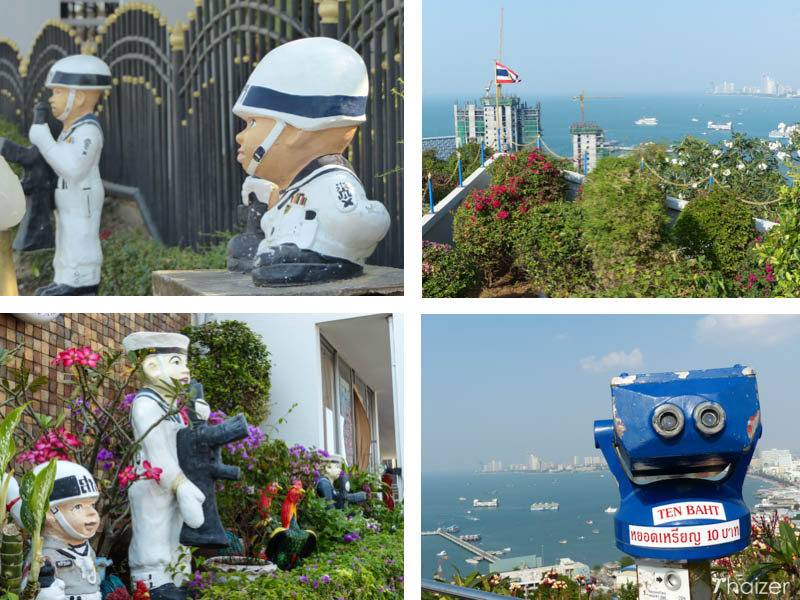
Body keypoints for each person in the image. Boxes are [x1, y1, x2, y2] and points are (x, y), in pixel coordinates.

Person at [231, 37, 390, 286]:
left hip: (319, 251)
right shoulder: (293, 184)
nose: (240, 136)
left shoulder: (331, 180)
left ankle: (308, 257)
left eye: (252, 123)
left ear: (297, 130)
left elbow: (355, 220)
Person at [122, 332, 209, 600]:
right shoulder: (145, 405)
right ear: (151, 367)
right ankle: (152, 581)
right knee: (155, 533)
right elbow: (157, 453)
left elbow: (185, 446)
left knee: (176, 534)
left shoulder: (173, 407)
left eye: (185, 363)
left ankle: (179, 577)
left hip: (175, 485)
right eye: (176, 362)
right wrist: (181, 485)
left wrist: (198, 419)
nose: (186, 369)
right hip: (153, 484)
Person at [28, 55, 111, 296]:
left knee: (79, 238)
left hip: (80, 198)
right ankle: (64, 278)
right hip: (67, 198)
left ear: (80, 96)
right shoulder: (71, 130)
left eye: (58, 93)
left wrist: (44, 140)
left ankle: (81, 280)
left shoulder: (88, 131)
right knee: (65, 239)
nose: (51, 99)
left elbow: (73, 170)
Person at [14, 461, 103, 600]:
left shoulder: (85, 548)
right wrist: (45, 589)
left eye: (91, 505)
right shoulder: (45, 555)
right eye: (78, 507)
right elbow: (29, 590)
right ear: (50, 513)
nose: (91, 513)